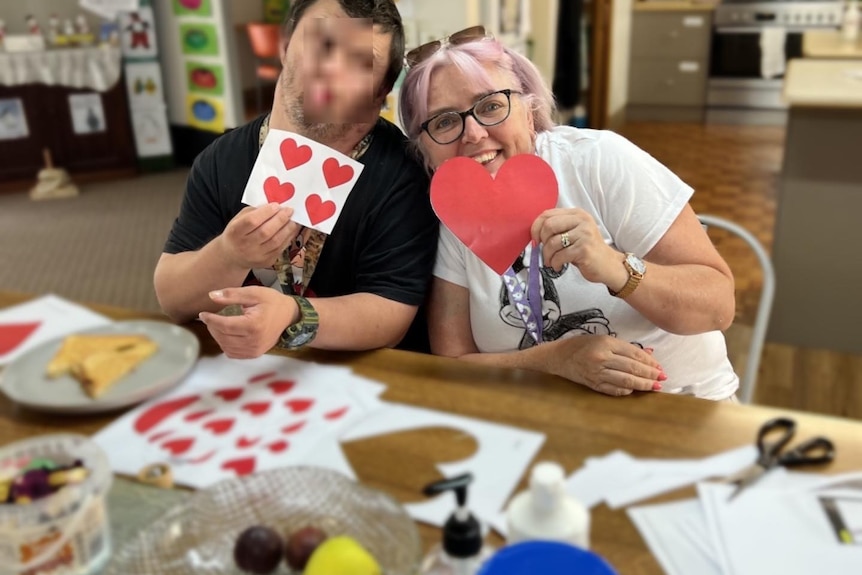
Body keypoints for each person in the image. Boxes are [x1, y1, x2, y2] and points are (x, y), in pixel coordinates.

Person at [398, 27, 739, 399]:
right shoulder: (451, 209)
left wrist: (614, 267)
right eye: (444, 121)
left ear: (529, 112)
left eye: (491, 105)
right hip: (540, 418)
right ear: (424, 148)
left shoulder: (598, 160)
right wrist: (557, 359)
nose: (474, 133)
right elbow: (453, 364)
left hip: (680, 407)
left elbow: (718, 307)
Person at [154, 0, 438, 358]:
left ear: (380, 93)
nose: (331, 70)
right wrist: (229, 254)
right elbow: (172, 299)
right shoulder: (220, 160)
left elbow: (392, 314)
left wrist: (293, 315)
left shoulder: (405, 174)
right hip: (251, 367)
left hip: (363, 370)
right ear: (286, 48)